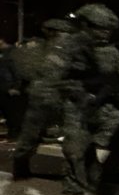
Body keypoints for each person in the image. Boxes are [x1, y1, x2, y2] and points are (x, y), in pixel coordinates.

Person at [59, 4, 119, 195]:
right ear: (84, 25)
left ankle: (101, 177)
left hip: (104, 103)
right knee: (75, 148)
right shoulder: (67, 47)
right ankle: (75, 192)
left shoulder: (110, 50)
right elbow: (54, 79)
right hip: (76, 104)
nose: (105, 34)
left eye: (108, 30)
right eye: (100, 29)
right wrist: (81, 94)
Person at [12, 19, 76, 178]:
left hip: (62, 98)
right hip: (41, 98)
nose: (67, 36)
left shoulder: (67, 50)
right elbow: (24, 70)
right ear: (53, 33)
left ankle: (78, 170)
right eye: (64, 33)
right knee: (31, 134)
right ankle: (20, 163)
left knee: (75, 135)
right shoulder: (37, 50)